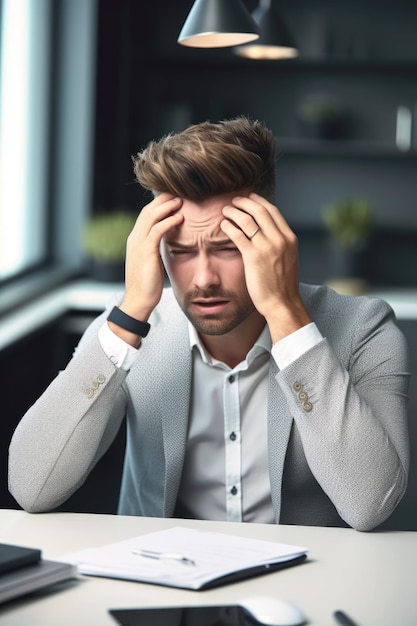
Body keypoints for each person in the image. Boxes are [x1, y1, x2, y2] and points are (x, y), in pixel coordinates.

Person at [8, 116, 410, 531]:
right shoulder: (127, 327)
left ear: (271, 239)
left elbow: (371, 504)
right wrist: (131, 313)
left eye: (226, 247)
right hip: (159, 580)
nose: (203, 280)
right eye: (179, 252)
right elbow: (32, 487)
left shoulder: (365, 328)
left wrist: (287, 315)